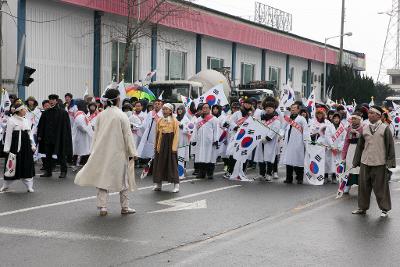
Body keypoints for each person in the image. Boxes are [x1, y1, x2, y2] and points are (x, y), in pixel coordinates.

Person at [74, 89, 137, 216]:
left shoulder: (101, 115)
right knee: (123, 179)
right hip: (118, 152)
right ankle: (125, 207)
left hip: (102, 151)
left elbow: (95, 134)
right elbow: (127, 135)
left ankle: (102, 206)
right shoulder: (121, 115)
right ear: (117, 100)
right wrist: (132, 152)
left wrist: (93, 150)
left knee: (103, 178)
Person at [352, 106, 396, 218]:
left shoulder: (385, 128)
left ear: (378, 115)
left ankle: (384, 209)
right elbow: (360, 146)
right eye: (369, 113)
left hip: (379, 162)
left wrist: (390, 162)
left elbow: (390, 146)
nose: (370, 115)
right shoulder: (365, 128)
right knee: (363, 187)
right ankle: (362, 208)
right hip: (365, 162)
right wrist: (356, 161)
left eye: (372, 113)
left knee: (380, 187)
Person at [1, 100, 35, 192]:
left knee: (26, 164)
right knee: (11, 165)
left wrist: (32, 144)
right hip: (14, 147)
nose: (25, 111)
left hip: (26, 147)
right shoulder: (11, 120)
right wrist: (7, 148)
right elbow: (8, 135)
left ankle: (29, 186)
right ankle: (6, 185)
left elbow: (29, 134)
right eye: (24, 109)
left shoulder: (26, 120)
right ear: (19, 110)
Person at [37, 94, 73, 178]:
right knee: (48, 155)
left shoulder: (63, 112)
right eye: (50, 99)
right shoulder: (46, 112)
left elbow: (67, 127)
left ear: (56, 101)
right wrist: (40, 135)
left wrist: (66, 137)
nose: (51, 101)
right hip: (48, 137)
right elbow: (41, 125)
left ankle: (63, 171)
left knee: (61, 154)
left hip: (59, 137)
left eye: (53, 99)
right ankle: (48, 171)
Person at [152, 103, 180, 192]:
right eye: (163, 109)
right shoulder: (159, 120)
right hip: (161, 143)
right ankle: (158, 184)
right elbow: (156, 133)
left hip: (170, 143)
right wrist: (156, 145)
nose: (164, 111)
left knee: (172, 164)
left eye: (166, 109)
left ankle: (176, 185)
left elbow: (176, 135)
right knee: (159, 164)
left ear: (171, 111)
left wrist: (174, 147)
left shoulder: (174, 121)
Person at [281, 103, 310, 184]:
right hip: (288, 141)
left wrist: (306, 141)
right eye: (291, 108)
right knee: (288, 160)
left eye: (294, 108)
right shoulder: (288, 118)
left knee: (298, 160)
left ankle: (300, 178)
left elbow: (306, 131)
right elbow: (283, 128)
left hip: (298, 142)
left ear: (298, 109)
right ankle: (288, 178)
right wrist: (281, 134)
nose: (292, 109)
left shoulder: (301, 119)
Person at [254, 101, 281, 181]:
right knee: (261, 158)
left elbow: (274, 130)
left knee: (269, 158)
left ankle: (269, 173)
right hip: (260, 140)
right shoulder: (262, 118)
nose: (268, 109)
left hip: (269, 142)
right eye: (267, 108)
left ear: (273, 109)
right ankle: (261, 174)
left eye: (270, 108)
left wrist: (267, 138)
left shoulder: (276, 120)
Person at [191, 103, 219, 179]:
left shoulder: (214, 119)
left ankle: (210, 173)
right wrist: (194, 139)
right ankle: (201, 173)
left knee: (210, 158)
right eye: (203, 108)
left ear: (209, 109)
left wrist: (216, 140)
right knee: (201, 157)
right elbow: (195, 130)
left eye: (206, 108)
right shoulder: (198, 120)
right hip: (200, 142)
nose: (205, 109)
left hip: (210, 142)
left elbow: (216, 130)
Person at [341, 111, 363, 193]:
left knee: (359, 168)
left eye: (355, 119)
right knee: (349, 167)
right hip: (351, 149)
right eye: (352, 118)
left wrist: (358, 134)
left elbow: (365, 140)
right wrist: (344, 154)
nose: (353, 120)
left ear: (359, 119)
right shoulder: (349, 128)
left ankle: (362, 185)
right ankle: (348, 185)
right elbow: (346, 142)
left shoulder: (363, 128)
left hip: (359, 149)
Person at [72, 100, 93, 167]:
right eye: (86, 105)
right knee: (80, 151)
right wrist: (89, 128)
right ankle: (77, 164)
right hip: (80, 137)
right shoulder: (79, 115)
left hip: (83, 137)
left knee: (83, 151)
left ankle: (80, 163)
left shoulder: (82, 114)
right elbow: (82, 126)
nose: (87, 107)